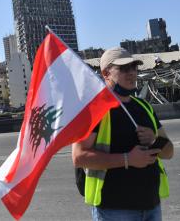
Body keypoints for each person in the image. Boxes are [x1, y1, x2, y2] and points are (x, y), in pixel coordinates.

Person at [72, 47, 174, 221]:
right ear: (106, 73)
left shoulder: (144, 107)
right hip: (114, 209)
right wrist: (128, 159)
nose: (131, 73)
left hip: (152, 206)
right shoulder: (94, 109)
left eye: (134, 67)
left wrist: (154, 139)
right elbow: (79, 157)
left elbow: (169, 152)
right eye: (123, 68)